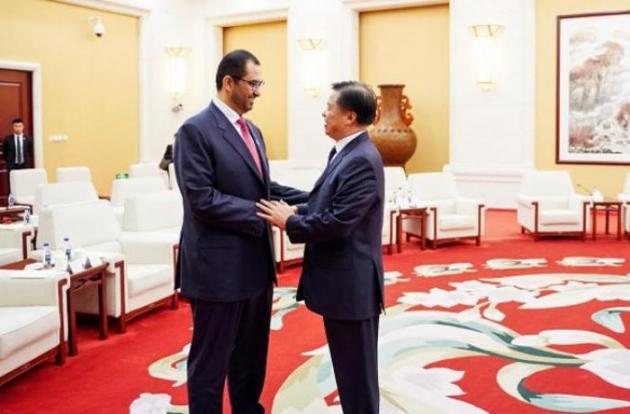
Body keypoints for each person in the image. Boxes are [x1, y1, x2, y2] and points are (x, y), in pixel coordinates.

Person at [173, 49, 307, 414]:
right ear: (229, 82)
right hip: (217, 271)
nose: (259, 92)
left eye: (261, 83)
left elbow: (264, 187)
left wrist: (316, 197)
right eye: (253, 83)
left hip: (255, 266)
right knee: (211, 362)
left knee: (251, 357)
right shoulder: (194, 130)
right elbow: (201, 199)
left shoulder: (254, 131)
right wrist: (266, 214)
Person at [257, 81, 385, 413]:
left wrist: (289, 222)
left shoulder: (361, 159)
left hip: (352, 289)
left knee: (357, 378)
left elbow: (337, 223)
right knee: (349, 373)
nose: (324, 113)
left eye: (329, 107)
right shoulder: (344, 152)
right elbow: (325, 202)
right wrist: (288, 203)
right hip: (343, 285)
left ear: (350, 116)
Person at [3, 118, 32, 188]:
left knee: (24, 183)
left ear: (23, 127)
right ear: (13, 127)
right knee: (12, 183)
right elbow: (5, 152)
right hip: (12, 165)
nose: (18, 128)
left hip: (24, 165)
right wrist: (9, 161)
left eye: (20, 126)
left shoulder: (28, 139)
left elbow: (30, 152)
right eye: (16, 126)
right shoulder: (8, 139)